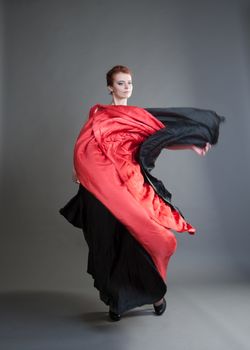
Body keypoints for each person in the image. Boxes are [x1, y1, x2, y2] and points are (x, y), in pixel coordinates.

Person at [60, 65, 222, 322]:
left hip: (129, 186)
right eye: (121, 83)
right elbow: (85, 145)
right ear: (110, 87)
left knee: (147, 238)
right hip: (100, 188)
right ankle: (117, 301)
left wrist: (191, 144)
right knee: (110, 242)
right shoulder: (98, 115)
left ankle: (156, 295)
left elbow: (161, 137)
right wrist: (77, 168)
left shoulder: (136, 116)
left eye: (130, 83)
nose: (127, 87)